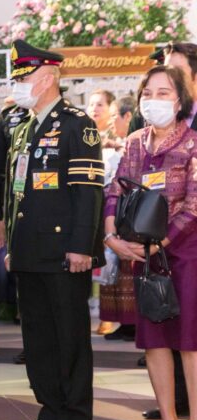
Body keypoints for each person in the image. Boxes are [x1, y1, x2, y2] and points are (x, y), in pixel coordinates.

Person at [5, 40, 104, 420]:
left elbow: (88, 192)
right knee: (38, 340)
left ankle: (76, 417)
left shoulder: (77, 123)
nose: (17, 85)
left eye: (22, 78)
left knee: (70, 338)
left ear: (46, 78)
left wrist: (82, 247)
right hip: (29, 251)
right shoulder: (23, 127)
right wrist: (12, 241)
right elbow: (17, 191)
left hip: (65, 253)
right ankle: (50, 411)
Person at [103, 64, 197, 420]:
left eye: (164, 93)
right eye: (149, 93)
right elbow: (114, 190)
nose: (154, 101)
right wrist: (111, 234)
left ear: (180, 101)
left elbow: (194, 206)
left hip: (183, 253)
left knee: (189, 344)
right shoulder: (135, 143)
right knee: (155, 341)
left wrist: (159, 243)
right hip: (142, 256)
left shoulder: (193, 144)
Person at [137, 42, 197, 420]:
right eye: (150, 90)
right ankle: (173, 412)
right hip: (152, 250)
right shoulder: (140, 136)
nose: (167, 77)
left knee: (191, 336)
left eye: (174, 73)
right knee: (160, 331)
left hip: (186, 242)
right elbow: (121, 189)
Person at [0, 97, 31, 364]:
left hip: (53, 219)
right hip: (16, 211)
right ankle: (31, 345)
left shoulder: (68, 119)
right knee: (23, 284)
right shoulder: (8, 119)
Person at [100, 95, 138, 343]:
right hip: (114, 214)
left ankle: (134, 325)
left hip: (132, 216)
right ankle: (123, 323)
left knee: (130, 273)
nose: (112, 121)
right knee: (115, 275)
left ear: (128, 116)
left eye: (115, 115)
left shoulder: (134, 144)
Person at [87, 89, 119, 336]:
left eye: (100, 104)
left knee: (109, 264)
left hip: (110, 207)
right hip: (88, 206)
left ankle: (109, 317)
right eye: (91, 104)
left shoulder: (118, 138)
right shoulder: (82, 135)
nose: (94, 109)